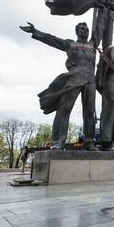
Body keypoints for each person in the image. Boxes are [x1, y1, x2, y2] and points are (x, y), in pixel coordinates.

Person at [20, 16, 106, 151]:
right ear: (77, 31)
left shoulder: (92, 45)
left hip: (90, 81)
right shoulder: (70, 44)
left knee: (89, 112)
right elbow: (52, 39)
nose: (85, 30)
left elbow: (100, 27)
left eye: (86, 29)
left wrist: (105, 9)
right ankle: (58, 142)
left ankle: (89, 142)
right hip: (74, 79)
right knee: (64, 109)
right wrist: (35, 31)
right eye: (82, 28)